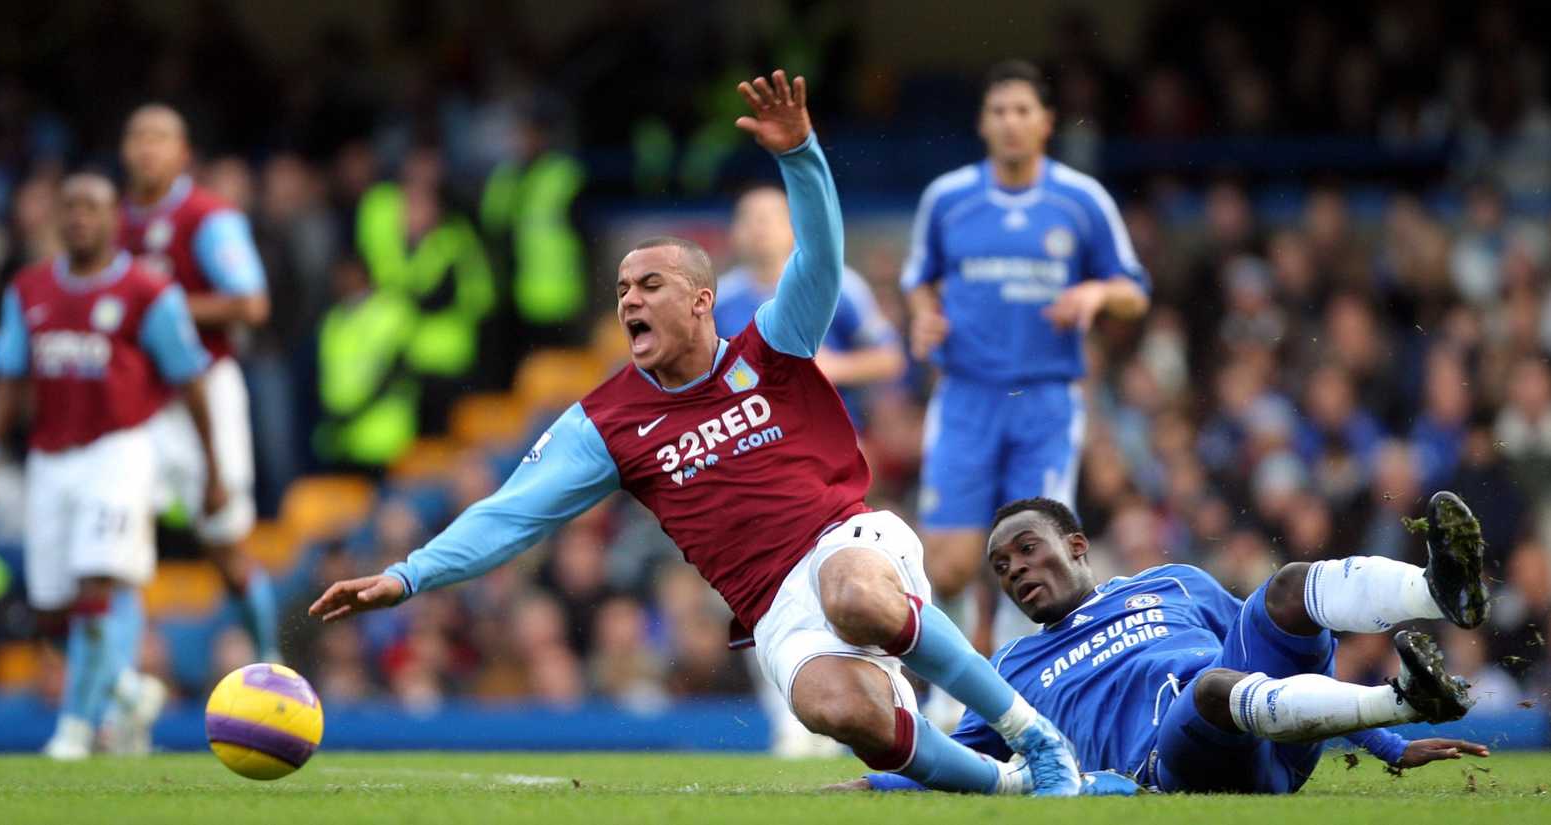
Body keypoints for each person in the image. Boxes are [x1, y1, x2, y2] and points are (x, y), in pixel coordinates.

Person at [311, 70, 1119, 797]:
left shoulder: (771, 348)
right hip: (771, 606)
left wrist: (801, 155)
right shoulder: (607, 421)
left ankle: (1037, 737)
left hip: (850, 539)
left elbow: (822, 262)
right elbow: (513, 513)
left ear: (702, 300)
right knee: (835, 710)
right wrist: (407, 576)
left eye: (650, 284)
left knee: (855, 593)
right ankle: (1009, 788)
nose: (630, 300)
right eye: (623, 288)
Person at [846, 491, 1492, 793]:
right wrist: (879, 785)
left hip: (1280, 735)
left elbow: (1267, 643)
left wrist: (1388, 749)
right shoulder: (1010, 665)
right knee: (1212, 688)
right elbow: (960, 763)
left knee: (1288, 588)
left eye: (1025, 547)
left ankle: (1441, 593)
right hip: (1180, 756)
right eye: (1001, 565)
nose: (1013, 568)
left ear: (1076, 546)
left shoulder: (1175, 582)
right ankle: (1403, 698)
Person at [0, 173, 222, 759]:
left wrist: (214, 467)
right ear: (58, 218)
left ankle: (76, 728)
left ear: (113, 220)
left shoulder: (147, 292)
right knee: (52, 607)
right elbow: (10, 374)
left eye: (92, 207)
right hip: (50, 458)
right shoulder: (27, 289)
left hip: (119, 451)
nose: (80, 216)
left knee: (95, 584)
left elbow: (190, 377)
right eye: (70, 206)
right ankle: (129, 690)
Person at [902, 60, 1150, 652]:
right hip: (966, 395)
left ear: (1046, 123)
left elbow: (1135, 293)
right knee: (951, 566)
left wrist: (1097, 291)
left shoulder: (1081, 200)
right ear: (983, 123)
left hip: (1044, 400)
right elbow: (919, 279)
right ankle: (952, 695)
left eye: (1022, 111)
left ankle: (1021, 690)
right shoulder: (948, 199)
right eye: (999, 111)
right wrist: (921, 316)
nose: (1011, 122)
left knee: (1037, 560)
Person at [119, 104, 280, 662]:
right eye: (138, 137)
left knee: (225, 547)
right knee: (115, 550)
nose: (147, 148)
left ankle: (269, 658)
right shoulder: (109, 222)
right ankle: (121, 685)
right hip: (134, 400)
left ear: (183, 154)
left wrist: (159, 306)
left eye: (160, 138)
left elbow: (252, 304)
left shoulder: (207, 217)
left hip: (204, 391)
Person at [714, 184, 904, 431]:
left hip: (829, 434)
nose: (759, 228)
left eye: (770, 218)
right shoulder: (717, 301)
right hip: (751, 444)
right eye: (748, 218)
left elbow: (890, 358)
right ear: (734, 232)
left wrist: (836, 367)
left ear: (794, 227)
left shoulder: (836, 286)